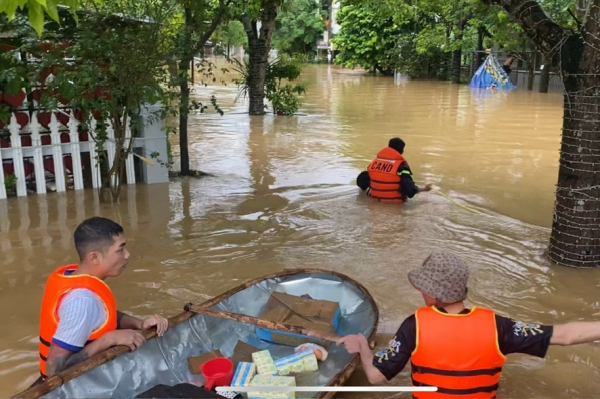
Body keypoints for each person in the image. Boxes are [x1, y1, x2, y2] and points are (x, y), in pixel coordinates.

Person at [337, 252, 600, 398]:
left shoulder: (414, 325)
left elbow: (375, 377)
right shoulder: (499, 327)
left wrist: (363, 348)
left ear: (433, 294)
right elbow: (564, 335)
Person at [38, 217, 169, 380]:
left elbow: (101, 315)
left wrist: (139, 323)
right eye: (120, 249)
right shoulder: (82, 301)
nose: (127, 255)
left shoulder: (74, 276)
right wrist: (109, 339)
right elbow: (54, 370)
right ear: (94, 258)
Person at [356, 137, 431, 202]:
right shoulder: (401, 167)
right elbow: (410, 190)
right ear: (402, 151)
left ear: (389, 147)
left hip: (373, 202)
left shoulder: (374, 163)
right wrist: (424, 189)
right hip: (394, 205)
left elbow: (361, 183)